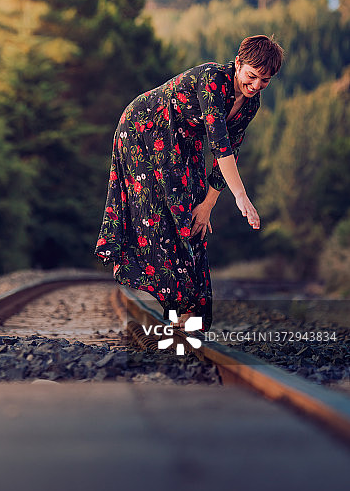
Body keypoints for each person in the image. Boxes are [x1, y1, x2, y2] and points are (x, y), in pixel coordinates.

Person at [95, 34, 284, 332]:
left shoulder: (251, 104)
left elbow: (232, 149)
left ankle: (189, 313)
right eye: (252, 76)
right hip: (145, 129)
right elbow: (219, 145)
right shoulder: (213, 80)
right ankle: (179, 307)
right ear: (237, 64)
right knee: (162, 217)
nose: (257, 85)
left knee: (194, 216)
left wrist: (209, 204)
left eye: (265, 80)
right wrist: (241, 196)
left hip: (183, 142)